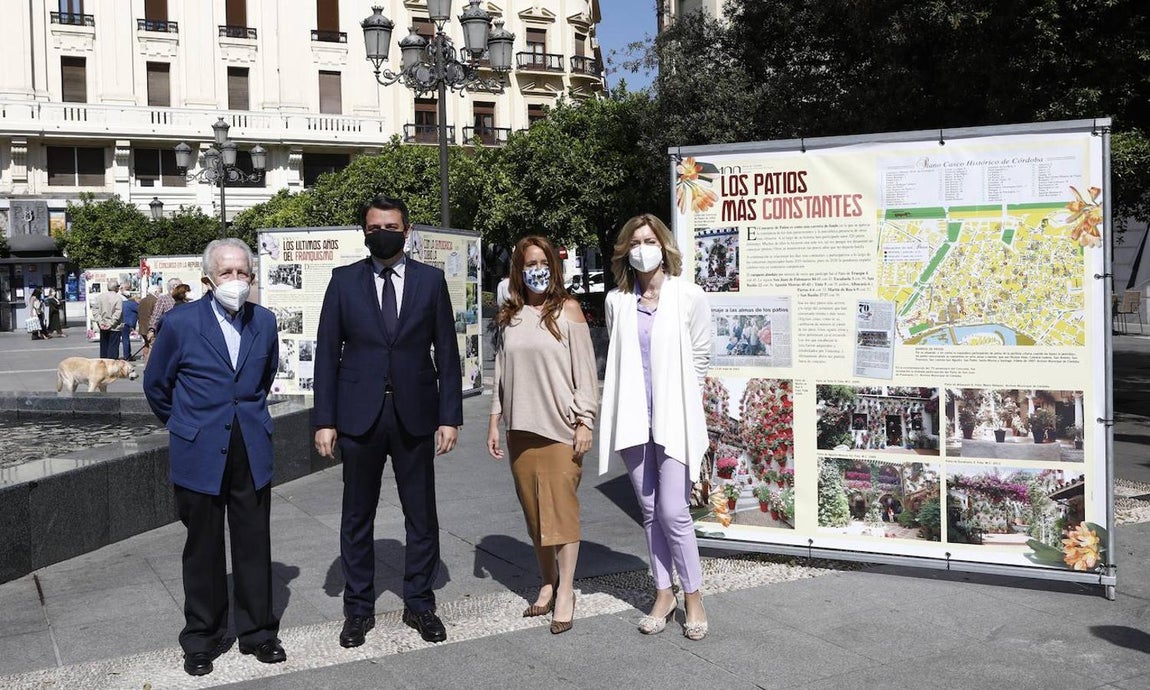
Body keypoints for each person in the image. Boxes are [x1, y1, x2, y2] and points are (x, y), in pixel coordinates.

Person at [312, 195, 463, 649]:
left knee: (421, 516)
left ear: (407, 230)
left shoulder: (431, 282)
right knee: (357, 516)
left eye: (393, 226)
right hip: (359, 418)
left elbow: (448, 354)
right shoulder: (342, 282)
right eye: (377, 225)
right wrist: (325, 419)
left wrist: (449, 417)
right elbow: (326, 355)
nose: (385, 232)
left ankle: (420, 602)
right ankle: (358, 609)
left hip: (415, 414)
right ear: (364, 231)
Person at [143, 238, 284, 677]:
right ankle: (202, 637)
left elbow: (264, 376)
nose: (236, 281)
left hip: (251, 447)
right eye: (227, 273)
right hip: (199, 449)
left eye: (243, 272)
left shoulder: (265, 321)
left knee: (253, 544)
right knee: (202, 547)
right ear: (208, 279)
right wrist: (186, 424)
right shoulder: (182, 323)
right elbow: (157, 386)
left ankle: (259, 632)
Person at [598, 213, 712, 641]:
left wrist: (690, 408)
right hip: (634, 418)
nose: (643, 248)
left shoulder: (688, 295)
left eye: (649, 240)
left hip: (673, 418)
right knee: (648, 512)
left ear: (663, 246)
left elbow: (701, 355)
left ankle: (694, 596)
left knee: (674, 511)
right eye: (635, 242)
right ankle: (663, 592)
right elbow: (623, 357)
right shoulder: (617, 301)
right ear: (626, 251)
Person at [487, 236, 598, 635]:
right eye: (529, 262)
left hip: (560, 429)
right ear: (518, 269)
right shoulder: (510, 315)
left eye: (543, 261)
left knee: (561, 513)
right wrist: (495, 419)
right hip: (520, 429)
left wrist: (585, 421)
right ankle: (546, 582)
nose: (537, 268)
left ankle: (565, 591)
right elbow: (501, 370)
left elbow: (586, 372)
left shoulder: (567, 310)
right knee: (535, 515)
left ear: (553, 265)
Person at [92, 279, 124, 359]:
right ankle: (112, 368)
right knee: (113, 349)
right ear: (116, 288)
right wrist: (111, 323)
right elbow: (118, 313)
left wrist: (100, 322)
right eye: (118, 287)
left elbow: (95, 311)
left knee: (104, 348)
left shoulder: (100, 297)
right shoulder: (118, 298)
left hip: (103, 325)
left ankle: (103, 367)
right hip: (115, 327)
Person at [137, 284, 161, 359]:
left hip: (142, 327)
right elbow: (156, 315)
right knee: (153, 347)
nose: (160, 293)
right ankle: (150, 362)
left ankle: (145, 359)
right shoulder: (156, 301)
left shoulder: (143, 300)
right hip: (151, 328)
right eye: (159, 291)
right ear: (156, 291)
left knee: (147, 344)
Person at [121, 289, 140, 360]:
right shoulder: (134, 305)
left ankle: (126, 355)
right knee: (126, 340)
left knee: (123, 339)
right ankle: (127, 356)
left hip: (121, 323)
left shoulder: (124, 303)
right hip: (127, 323)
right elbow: (141, 311)